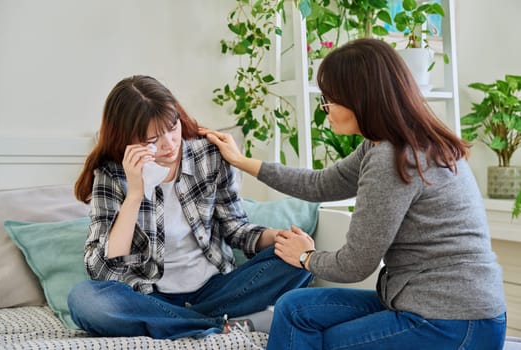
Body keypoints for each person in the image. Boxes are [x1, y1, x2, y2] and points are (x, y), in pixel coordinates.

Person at [200, 39, 507, 349]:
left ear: (359, 98)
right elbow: (319, 184)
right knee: (295, 308)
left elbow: (354, 265)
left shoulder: (394, 157)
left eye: (330, 99)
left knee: (326, 342)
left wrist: (305, 256)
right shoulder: (384, 144)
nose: (325, 109)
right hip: (431, 307)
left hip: (454, 321)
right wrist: (241, 161)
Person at [68, 75, 312, 340]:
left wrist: (276, 238)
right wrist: (135, 193)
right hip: (150, 298)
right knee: (85, 300)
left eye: (172, 128)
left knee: (302, 261)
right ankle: (218, 326)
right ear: (128, 139)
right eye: (153, 139)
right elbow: (104, 273)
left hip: (217, 290)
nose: (170, 144)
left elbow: (236, 229)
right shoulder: (112, 175)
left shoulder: (208, 155)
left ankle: (185, 323)